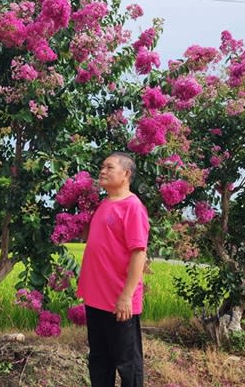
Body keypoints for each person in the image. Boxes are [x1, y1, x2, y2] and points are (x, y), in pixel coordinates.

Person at [76, 152, 149, 387]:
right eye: (101, 167)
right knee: (99, 361)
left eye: (109, 167)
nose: (102, 171)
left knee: (128, 365)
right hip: (96, 298)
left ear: (126, 174)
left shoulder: (132, 207)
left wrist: (126, 297)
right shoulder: (104, 204)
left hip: (119, 301)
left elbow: (139, 253)